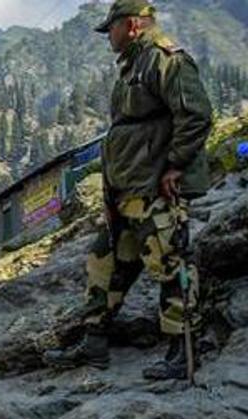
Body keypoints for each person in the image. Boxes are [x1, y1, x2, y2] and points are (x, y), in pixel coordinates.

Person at [44, 0, 213, 380]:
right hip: (126, 194)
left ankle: (182, 349)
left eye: (113, 28)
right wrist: (109, 197)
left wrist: (176, 166)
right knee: (104, 262)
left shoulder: (164, 59)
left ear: (133, 25)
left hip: (154, 189)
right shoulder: (131, 68)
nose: (109, 36)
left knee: (171, 264)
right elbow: (123, 136)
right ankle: (94, 341)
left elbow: (197, 114)